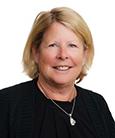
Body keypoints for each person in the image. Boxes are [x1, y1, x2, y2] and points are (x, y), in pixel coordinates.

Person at [0, 7, 115, 138]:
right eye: (53, 45)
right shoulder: (6, 104)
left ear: (85, 54)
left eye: (72, 45)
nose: (63, 55)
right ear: (36, 52)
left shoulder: (97, 104)